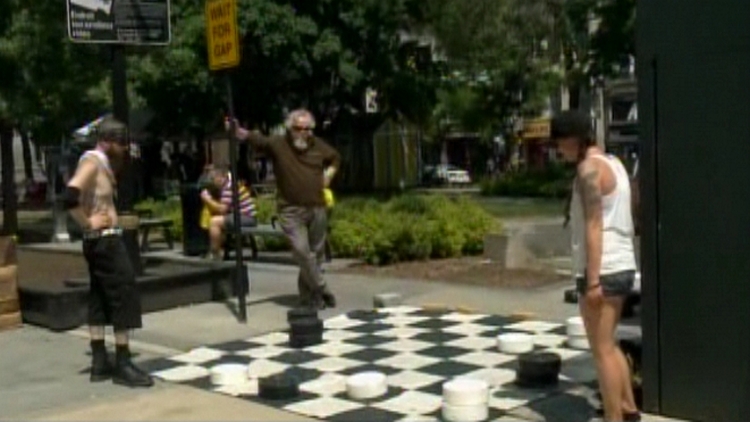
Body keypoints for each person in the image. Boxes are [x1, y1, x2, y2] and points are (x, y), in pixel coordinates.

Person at [551, 110, 640, 422]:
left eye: (559, 144)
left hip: (603, 269)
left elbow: (593, 224)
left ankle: (614, 417)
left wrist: (592, 283)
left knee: (600, 351)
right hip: (623, 263)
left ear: (572, 139)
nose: (558, 151)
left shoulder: (589, 169)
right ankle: (628, 409)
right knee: (609, 344)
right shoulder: (615, 164)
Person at [63, 115, 154, 388]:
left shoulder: (100, 163)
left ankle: (100, 361)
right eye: (121, 142)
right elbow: (69, 196)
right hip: (105, 240)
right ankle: (123, 363)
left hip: (98, 241)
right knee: (124, 293)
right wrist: (87, 221)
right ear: (107, 141)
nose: (125, 147)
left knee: (100, 296)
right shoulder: (92, 163)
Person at [228, 109, 340, 310]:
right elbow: (257, 139)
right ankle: (322, 287)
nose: (303, 133)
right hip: (291, 209)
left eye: (307, 129)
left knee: (316, 254)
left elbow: (335, 158)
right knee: (302, 252)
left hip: (317, 207)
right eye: (298, 128)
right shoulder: (279, 144)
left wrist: (328, 175)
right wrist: (238, 131)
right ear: (290, 129)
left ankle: (310, 298)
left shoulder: (317, 145)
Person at [200, 166, 258, 260]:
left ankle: (215, 253)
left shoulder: (229, 187)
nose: (213, 182)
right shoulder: (230, 185)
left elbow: (222, 209)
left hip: (246, 218)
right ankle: (218, 250)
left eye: (213, 179)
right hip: (244, 216)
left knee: (214, 221)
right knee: (218, 220)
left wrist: (207, 199)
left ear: (220, 177)